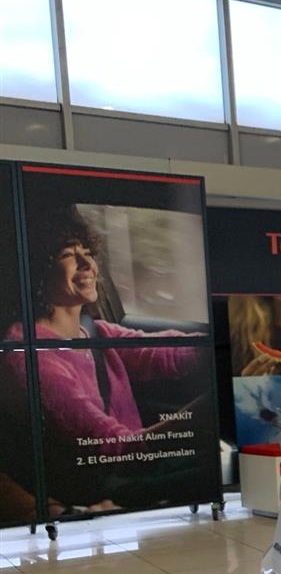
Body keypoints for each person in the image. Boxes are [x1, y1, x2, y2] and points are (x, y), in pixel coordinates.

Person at [3, 207, 203, 508]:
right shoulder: (29, 356)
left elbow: (164, 352)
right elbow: (112, 447)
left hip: (134, 468)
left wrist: (218, 350)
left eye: (87, 253)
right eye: (68, 255)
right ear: (38, 270)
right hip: (104, 487)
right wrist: (196, 416)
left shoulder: (94, 331)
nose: (87, 264)